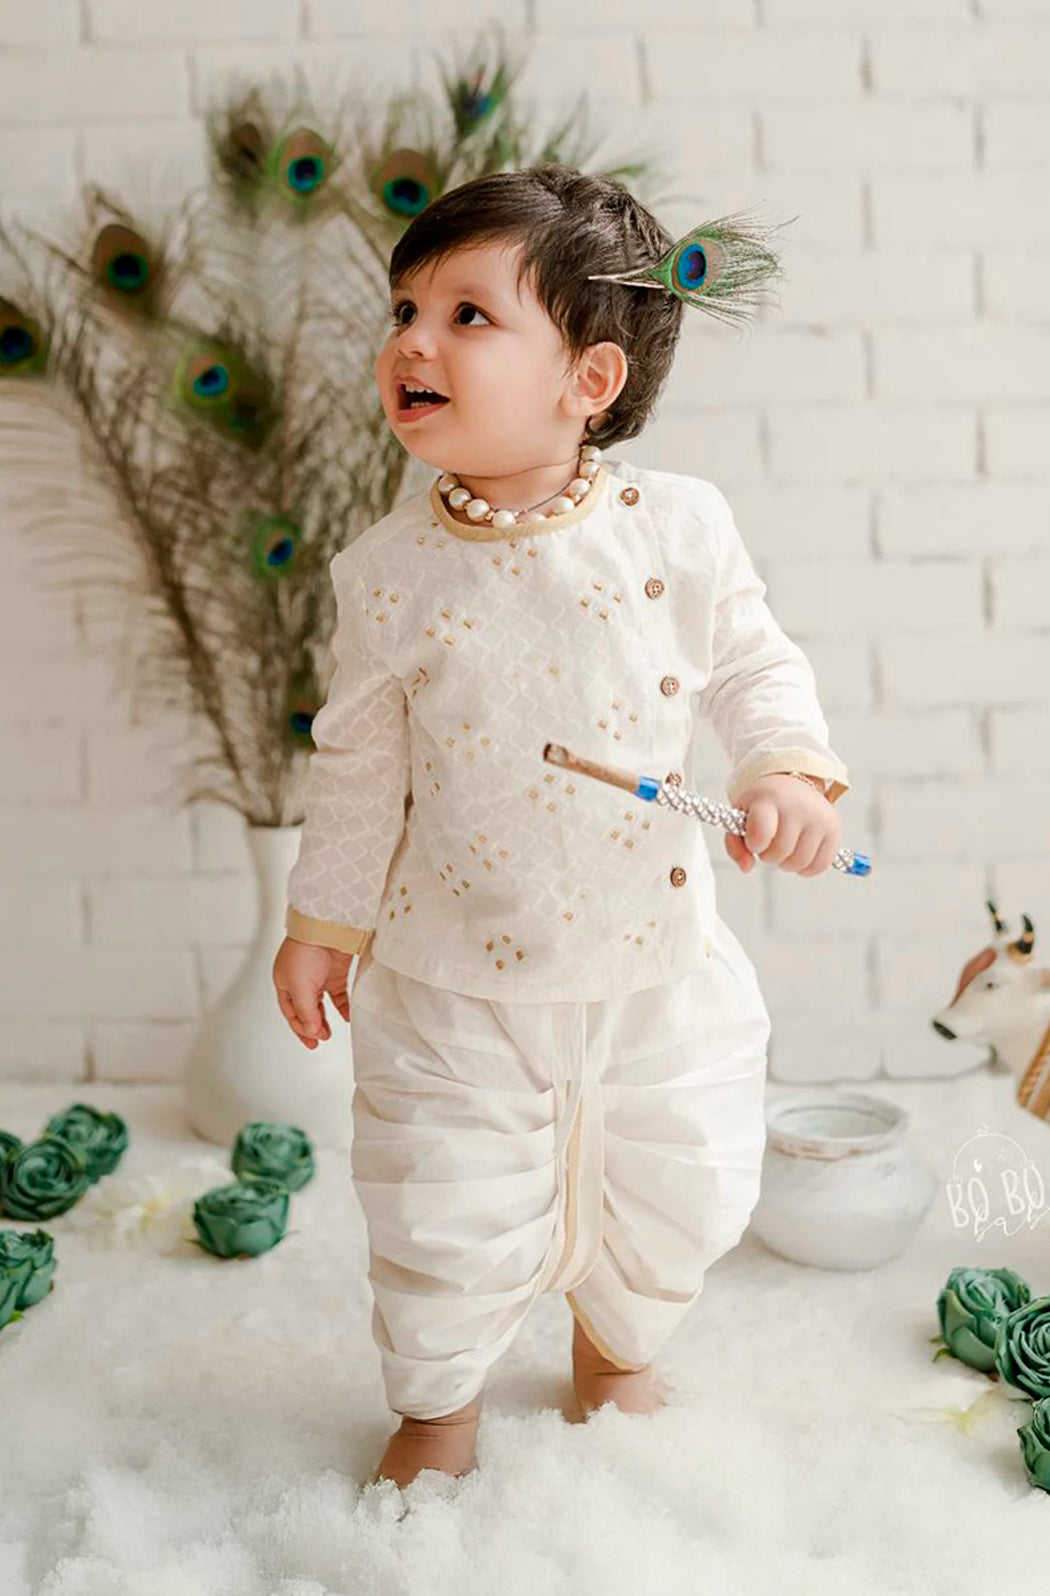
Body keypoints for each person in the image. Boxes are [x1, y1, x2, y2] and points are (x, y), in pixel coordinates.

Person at [271, 164, 851, 1490]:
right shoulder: (388, 575)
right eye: (404, 309)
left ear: (588, 380)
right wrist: (322, 925)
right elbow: (358, 769)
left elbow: (752, 664)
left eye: (466, 316)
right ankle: (437, 1406)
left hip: (650, 962)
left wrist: (785, 772)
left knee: (667, 1176)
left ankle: (616, 1346)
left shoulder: (679, 529)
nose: (412, 342)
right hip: (453, 976)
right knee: (443, 1200)